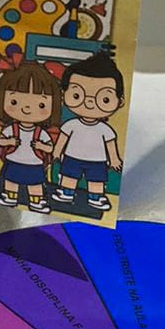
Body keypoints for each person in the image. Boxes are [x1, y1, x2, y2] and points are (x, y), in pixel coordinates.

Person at [51, 53, 124, 212]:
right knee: (69, 176)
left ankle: (96, 197)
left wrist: (114, 159)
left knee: (96, 180)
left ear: (120, 101)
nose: (89, 102)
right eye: (77, 95)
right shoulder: (71, 125)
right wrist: (56, 151)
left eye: (104, 99)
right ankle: (66, 192)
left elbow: (110, 144)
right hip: (72, 156)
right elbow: (63, 138)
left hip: (97, 160)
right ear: (64, 95)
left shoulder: (104, 129)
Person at [0, 62, 62, 213]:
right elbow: (1, 140)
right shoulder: (12, 129)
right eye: (14, 102)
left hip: (34, 162)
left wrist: (41, 146)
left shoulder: (40, 132)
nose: (27, 108)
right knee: (11, 180)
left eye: (41, 105)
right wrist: (9, 141)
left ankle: (36, 201)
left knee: (35, 184)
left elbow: (49, 147)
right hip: (14, 160)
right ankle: (10, 197)